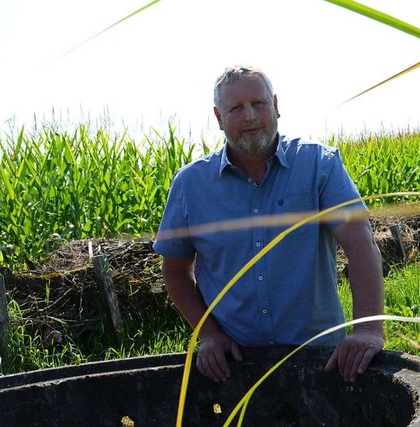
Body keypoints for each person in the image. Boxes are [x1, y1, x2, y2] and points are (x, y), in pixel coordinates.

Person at [153, 65, 384, 384]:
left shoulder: (318, 165)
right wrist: (209, 335)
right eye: (236, 108)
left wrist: (368, 330)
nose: (249, 116)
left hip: (320, 360)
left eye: (258, 104)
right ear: (219, 118)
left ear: (275, 106)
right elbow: (176, 270)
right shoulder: (191, 185)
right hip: (236, 366)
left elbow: (361, 246)